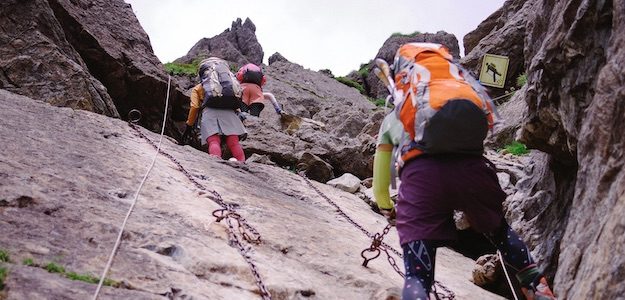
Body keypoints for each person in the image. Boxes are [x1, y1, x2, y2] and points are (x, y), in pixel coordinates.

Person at [372, 43, 556, 300]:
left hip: (422, 179)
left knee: (418, 279)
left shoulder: (394, 117)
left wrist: (388, 209)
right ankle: (536, 286)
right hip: (474, 171)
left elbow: (380, 187)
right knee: (500, 231)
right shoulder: (455, 91)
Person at [181, 57, 246, 162]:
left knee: (214, 141)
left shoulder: (198, 88)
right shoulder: (227, 86)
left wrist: (189, 124)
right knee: (233, 141)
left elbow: (195, 107)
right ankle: (242, 163)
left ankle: (216, 163)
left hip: (209, 112)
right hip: (229, 111)